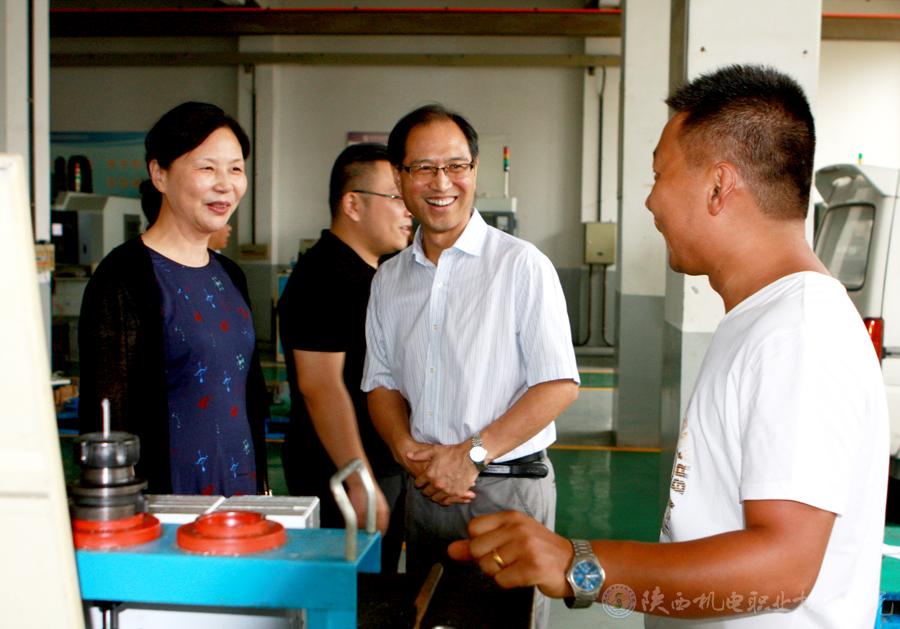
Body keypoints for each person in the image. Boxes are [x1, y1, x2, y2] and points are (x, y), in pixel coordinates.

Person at [448, 64, 889, 627]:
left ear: (719, 186)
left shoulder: (798, 332)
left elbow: (784, 568)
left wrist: (580, 565)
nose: (652, 201)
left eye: (660, 174)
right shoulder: (766, 319)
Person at [361, 104, 580, 624]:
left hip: (507, 491)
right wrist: (404, 447)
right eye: (423, 168)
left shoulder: (522, 266)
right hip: (425, 492)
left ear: (475, 171)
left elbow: (558, 384)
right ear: (399, 177)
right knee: (429, 614)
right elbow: (381, 383)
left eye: (456, 166)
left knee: (505, 620)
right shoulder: (390, 279)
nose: (442, 183)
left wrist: (472, 454)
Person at [79, 102, 268, 496]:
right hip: (166, 501)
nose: (225, 184)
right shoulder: (124, 277)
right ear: (159, 174)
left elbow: (247, 397)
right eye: (207, 168)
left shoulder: (229, 274)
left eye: (235, 169)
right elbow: (106, 417)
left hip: (240, 493)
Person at [278, 142, 412, 573]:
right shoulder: (323, 277)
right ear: (353, 204)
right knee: (352, 593)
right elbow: (321, 386)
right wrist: (359, 479)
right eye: (396, 197)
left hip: (377, 464)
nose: (408, 209)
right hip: (340, 471)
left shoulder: (372, 274)